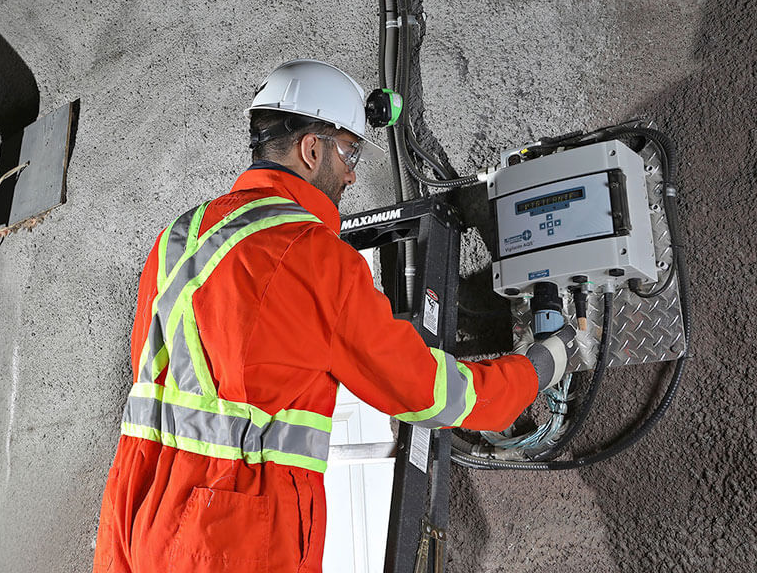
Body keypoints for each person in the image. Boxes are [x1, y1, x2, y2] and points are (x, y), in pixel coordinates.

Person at [92, 59, 576, 573]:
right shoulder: (312, 256)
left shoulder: (177, 237)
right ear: (311, 148)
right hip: (228, 538)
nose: (349, 173)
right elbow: (428, 391)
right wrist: (538, 368)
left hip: (135, 518)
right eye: (349, 153)